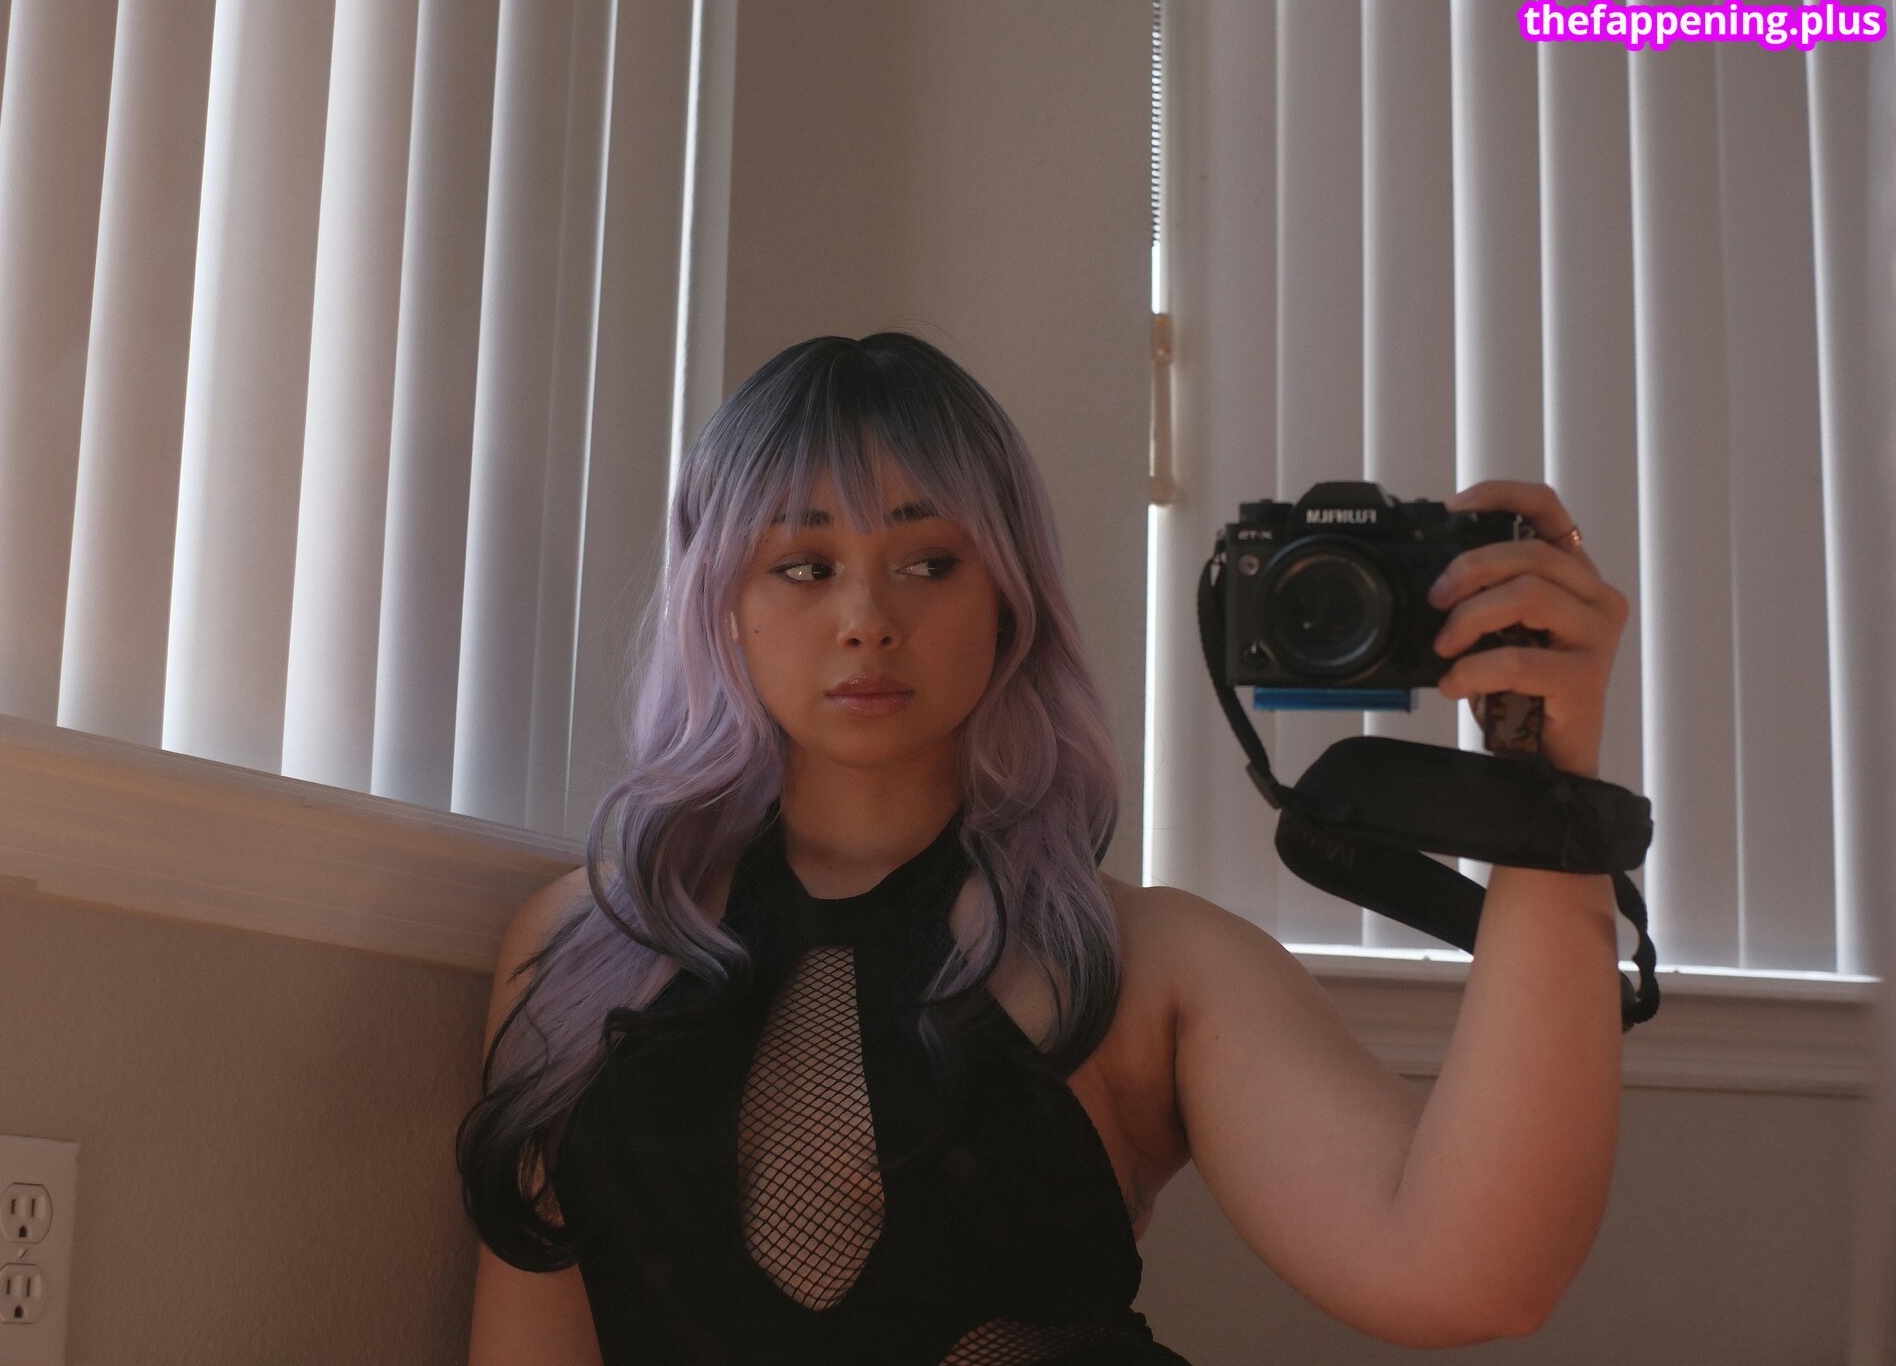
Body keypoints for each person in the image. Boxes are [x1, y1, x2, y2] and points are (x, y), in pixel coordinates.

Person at [458, 332, 1631, 1365]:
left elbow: (1469, 1275)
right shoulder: (581, 950)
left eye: (929, 562)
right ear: (722, 601)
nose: (867, 619)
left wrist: (1549, 792)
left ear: (1008, 599)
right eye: (804, 567)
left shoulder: (1148, 964)